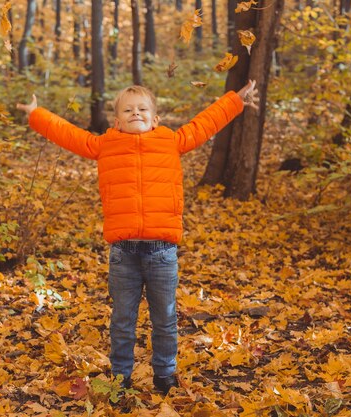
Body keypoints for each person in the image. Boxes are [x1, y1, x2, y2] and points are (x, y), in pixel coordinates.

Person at [17, 80, 259, 395]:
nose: (136, 114)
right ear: (117, 121)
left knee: (165, 320)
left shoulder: (171, 140)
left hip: (162, 252)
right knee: (122, 321)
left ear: (155, 118)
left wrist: (235, 100)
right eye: (128, 110)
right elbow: (69, 134)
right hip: (123, 254)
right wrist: (37, 115)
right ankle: (120, 378)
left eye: (142, 109)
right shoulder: (105, 144)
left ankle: (165, 376)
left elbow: (205, 122)